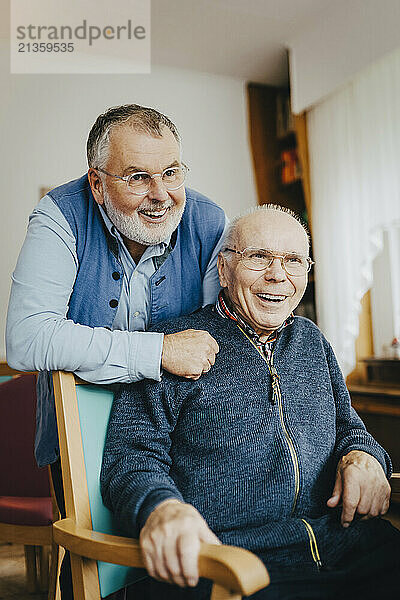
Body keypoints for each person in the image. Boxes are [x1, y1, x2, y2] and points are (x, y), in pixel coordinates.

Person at [101, 205, 399, 600]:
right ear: (224, 270)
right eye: (259, 257)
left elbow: (348, 428)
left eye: (293, 260)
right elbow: (129, 458)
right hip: (231, 561)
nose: (278, 274)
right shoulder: (171, 344)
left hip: (343, 546)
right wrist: (162, 509)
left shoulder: (312, 341)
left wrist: (365, 456)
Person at [6, 104, 227, 599]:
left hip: (176, 432)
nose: (161, 195)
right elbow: (26, 338)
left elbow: (220, 339)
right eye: (137, 177)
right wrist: (158, 352)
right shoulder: (58, 215)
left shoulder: (210, 221)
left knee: (177, 562)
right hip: (76, 434)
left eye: (171, 173)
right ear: (98, 183)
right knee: (97, 565)